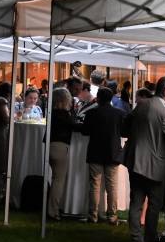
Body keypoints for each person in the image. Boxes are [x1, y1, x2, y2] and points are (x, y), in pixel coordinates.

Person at [122, 77, 165, 242]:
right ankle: (149, 240)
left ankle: (137, 240)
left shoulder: (142, 104)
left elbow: (125, 126)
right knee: (154, 204)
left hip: (135, 160)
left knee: (136, 202)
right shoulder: (164, 112)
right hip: (155, 164)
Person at [82, 87, 125, 224]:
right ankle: (112, 216)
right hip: (112, 152)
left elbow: (85, 131)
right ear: (111, 98)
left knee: (94, 184)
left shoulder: (92, 113)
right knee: (112, 185)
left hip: (95, 151)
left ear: (98, 98)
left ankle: (92, 215)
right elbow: (124, 132)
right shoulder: (119, 113)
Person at [47, 88, 80, 220]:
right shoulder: (64, 114)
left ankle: (51, 209)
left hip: (50, 146)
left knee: (55, 179)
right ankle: (53, 211)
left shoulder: (51, 112)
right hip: (60, 146)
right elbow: (75, 126)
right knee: (58, 180)